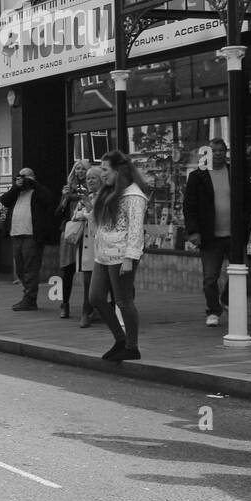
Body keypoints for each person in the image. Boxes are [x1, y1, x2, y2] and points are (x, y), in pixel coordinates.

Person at [88, 150, 148, 361]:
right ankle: (120, 339)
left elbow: (135, 229)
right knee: (95, 297)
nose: (102, 174)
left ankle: (132, 347)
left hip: (122, 255)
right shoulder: (109, 192)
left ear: (118, 170)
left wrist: (130, 258)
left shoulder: (133, 195)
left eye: (105, 169)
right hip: (103, 254)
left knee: (123, 301)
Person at [184, 137, 234, 327]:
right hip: (209, 235)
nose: (219, 154)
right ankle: (213, 310)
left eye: (222, 150)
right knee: (210, 278)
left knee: (241, 272)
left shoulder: (234, 172)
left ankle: (227, 299)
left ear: (226, 152)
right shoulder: (198, 176)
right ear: (208, 153)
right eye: (214, 151)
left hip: (234, 234)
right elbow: (189, 206)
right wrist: (193, 231)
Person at [0, 166, 55, 311]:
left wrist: (33, 184)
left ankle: (30, 299)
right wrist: (16, 187)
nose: (23, 180)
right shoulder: (16, 192)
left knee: (31, 268)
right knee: (20, 268)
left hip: (32, 235)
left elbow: (48, 199)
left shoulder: (37, 192)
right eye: (20, 176)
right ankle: (28, 295)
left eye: (26, 177)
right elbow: (4, 200)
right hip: (16, 234)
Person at [74, 163, 112, 329]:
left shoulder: (105, 197)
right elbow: (75, 215)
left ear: (101, 180)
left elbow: (102, 220)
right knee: (88, 281)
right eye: (88, 178)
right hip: (87, 246)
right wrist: (85, 212)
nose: (89, 181)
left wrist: (88, 211)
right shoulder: (87, 196)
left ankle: (106, 311)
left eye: (93, 178)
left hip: (103, 245)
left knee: (109, 282)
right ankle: (86, 312)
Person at [55, 160, 91, 318]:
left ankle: (88, 307)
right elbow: (57, 213)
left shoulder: (93, 187)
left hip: (87, 232)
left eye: (83, 169)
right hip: (70, 231)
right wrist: (65, 198)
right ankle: (64, 304)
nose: (80, 171)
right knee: (66, 269)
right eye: (77, 168)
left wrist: (82, 196)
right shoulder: (68, 188)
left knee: (88, 271)